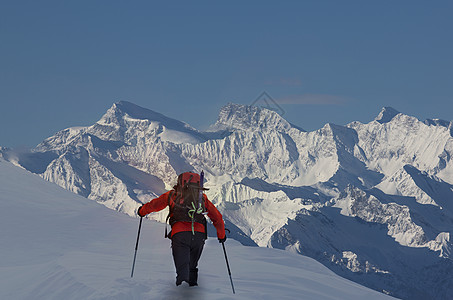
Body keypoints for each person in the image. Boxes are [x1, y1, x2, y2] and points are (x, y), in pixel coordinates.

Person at [137, 171, 226, 287]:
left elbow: (154, 205)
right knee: (192, 267)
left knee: (182, 268)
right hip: (199, 236)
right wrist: (221, 235)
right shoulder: (202, 198)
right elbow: (217, 218)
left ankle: (182, 291)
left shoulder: (172, 195)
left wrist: (142, 211)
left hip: (180, 235)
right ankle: (192, 289)